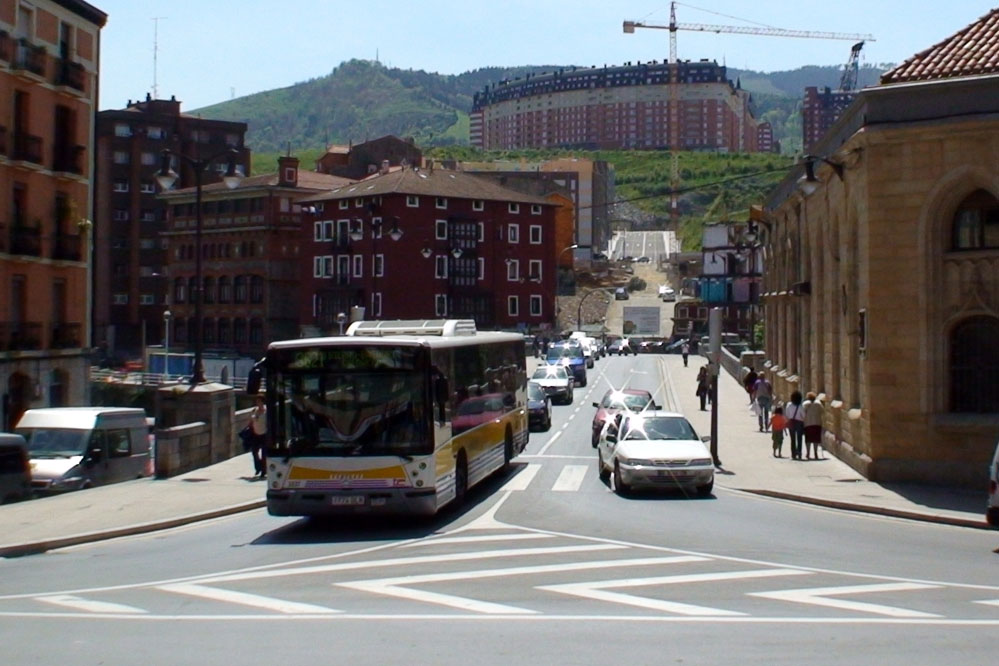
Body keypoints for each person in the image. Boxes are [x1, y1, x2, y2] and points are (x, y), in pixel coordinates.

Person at [249, 394, 267, 478]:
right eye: (257, 401)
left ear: (263, 402)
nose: (258, 403)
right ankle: (258, 467)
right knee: (254, 452)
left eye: (259, 401)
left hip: (264, 434)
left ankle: (264, 471)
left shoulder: (266, 411)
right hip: (255, 434)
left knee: (264, 454)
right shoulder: (254, 410)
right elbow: (251, 421)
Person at [784, 391, 806, 460]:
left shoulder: (789, 405)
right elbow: (803, 416)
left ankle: (793, 453)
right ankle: (799, 453)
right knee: (799, 438)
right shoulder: (800, 406)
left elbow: (787, 414)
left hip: (791, 422)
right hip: (799, 423)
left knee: (792, 439)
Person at [802, 391, 824, 459]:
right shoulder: (818, 403)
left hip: (808, 424)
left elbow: (802, 413)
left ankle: (808, 453)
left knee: (808, 439)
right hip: (817, 423)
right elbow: (822, 411)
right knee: (816, 439)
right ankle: (815, 453)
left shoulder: (805, 404)